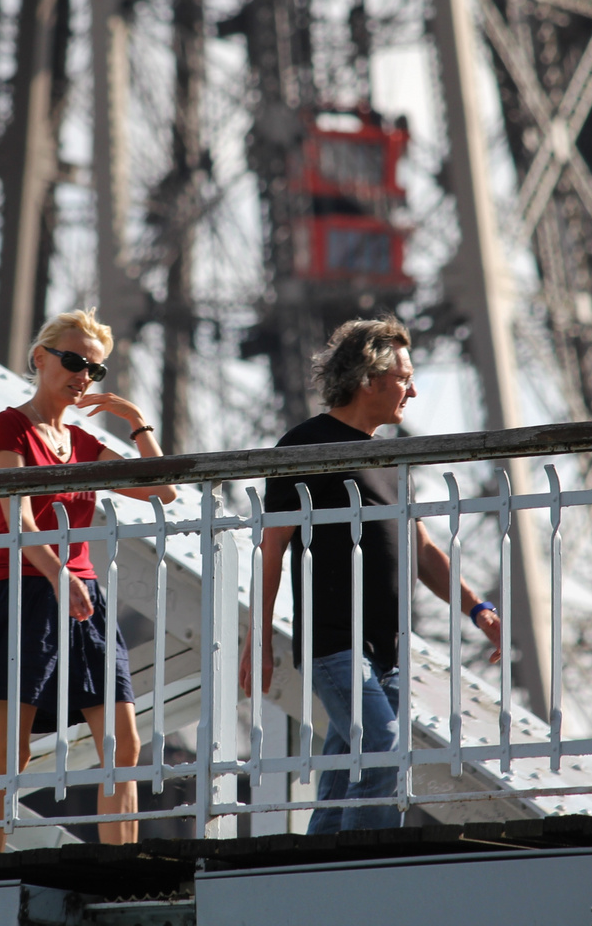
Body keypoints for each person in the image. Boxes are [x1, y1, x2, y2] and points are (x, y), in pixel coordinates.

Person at [238, 315, 505, 833]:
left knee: (344, 777)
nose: (414, 391)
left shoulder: (391, 456)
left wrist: (479, 608)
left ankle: (315, 883)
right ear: (368, 379)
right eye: (404, 378)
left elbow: (423, 550)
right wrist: (259, 637)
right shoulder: (304, 446)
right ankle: (367, 866)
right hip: (335, 644)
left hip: (390, 648)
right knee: (384, 748)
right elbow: (272, 549)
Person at [0, 308, 177, 854]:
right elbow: (16, 522)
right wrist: (60, 575)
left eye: (95, 369)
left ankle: (120, 866)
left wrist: (133, 418)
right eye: (73, 361)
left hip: (81, 597)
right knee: (11, 749)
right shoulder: (8, 428)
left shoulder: (82, 442)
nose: (83, 375)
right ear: (40, 358)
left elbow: (162, 490)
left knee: (123, 742)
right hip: (26, 593)